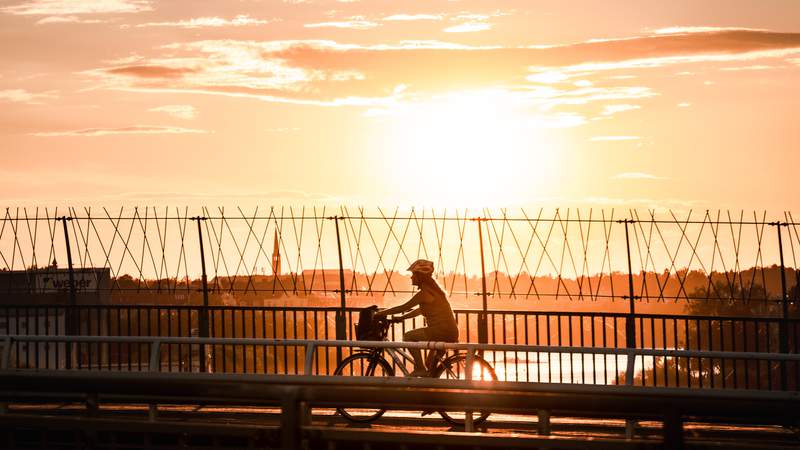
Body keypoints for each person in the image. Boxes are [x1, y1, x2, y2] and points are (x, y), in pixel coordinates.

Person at [374, 259, 459, 376]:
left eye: (413, 274)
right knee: (430, 365)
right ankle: (432, 387)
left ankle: (419, 368)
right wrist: (402, 318)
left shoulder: (425, 293)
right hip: (448, 331)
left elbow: (403, 307)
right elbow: (420, 310)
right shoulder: (433, 291)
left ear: (420, 276)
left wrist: (380, 313)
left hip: (442, 331)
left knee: (409, 336)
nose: (411, 277)